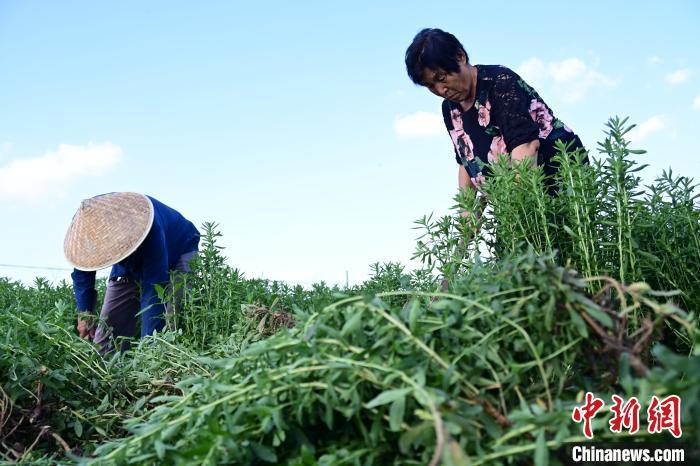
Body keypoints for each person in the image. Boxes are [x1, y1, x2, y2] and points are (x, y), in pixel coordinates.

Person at [404, 28, 586, 199]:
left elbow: (527, 147)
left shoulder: (499, 82)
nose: (440, 89)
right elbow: (466, 162)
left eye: (441, 78)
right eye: (430, 86)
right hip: (512, 193)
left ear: (460, 56)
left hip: (559, 175)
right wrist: (468, 219)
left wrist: (516, 212)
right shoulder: (450, 109)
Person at [64, 192, 199, 353]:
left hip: (180, 246)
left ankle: (161, 361)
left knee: (170, 316)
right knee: (106, 336)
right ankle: (103, 363)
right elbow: (82, 273)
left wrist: (148, 351)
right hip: (129, 260)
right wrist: (85, 313)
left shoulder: (148, 228)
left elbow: (154, 292)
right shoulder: (88, 232)